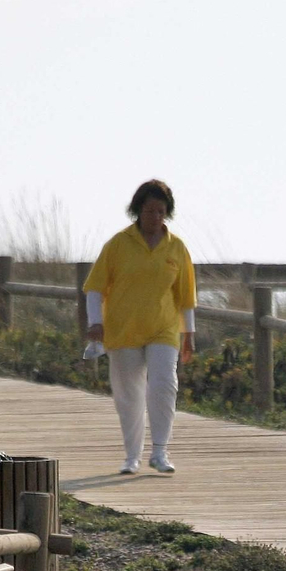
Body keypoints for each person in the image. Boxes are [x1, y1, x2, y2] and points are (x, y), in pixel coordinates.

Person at [83, 180, 197, 475]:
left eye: (161, 211)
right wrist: (96, 322)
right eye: (149, 211)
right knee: (129, 395)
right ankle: (132, 456)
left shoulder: (176, 247)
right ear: (137, 210)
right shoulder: (119, 244)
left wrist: (189, 334)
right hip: (123, 328)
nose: (155, 217)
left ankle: (160, 452)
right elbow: (95, 288)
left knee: (164, 384)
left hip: (164, 328)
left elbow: (186, 296)